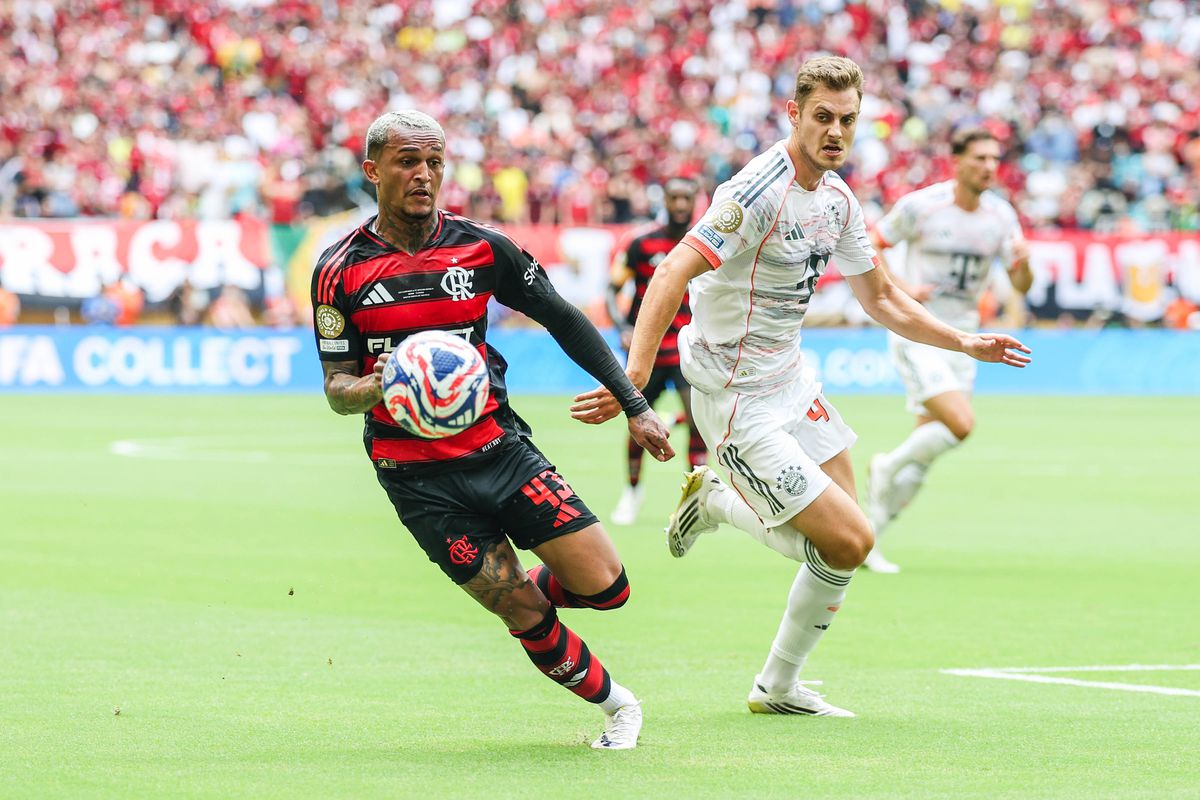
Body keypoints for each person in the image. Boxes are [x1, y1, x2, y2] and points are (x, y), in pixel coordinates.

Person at [570, 57, 1030, 716]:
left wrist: (963, 341)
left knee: (848, 537)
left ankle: (777, 687)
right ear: (794, 114)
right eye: (822, 117)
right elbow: (671, 270)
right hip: (734, 398)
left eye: (847, 119)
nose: (835, 131)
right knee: (847, 542)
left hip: (791, 377)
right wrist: (634, 377)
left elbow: (882, 298)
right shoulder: (756, 191)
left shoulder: (838, 200)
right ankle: (721, 503)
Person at [310, 111, 674, 750]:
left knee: (608, 588)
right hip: (417, 479)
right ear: (372, 171)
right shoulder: (338, 270)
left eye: (433, 163)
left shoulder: (483, 247)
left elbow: (563, 318)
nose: (423, 175)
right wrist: (380, 384)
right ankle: (621, 707)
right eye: (406, 162)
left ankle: (512, 585)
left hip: (499, 450)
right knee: (524, 613)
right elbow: (338, 388)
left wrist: (635, 402)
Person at [863, 127, 1033, 573]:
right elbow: (873, 245)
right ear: (956, 161)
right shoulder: (922, 205)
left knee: (926, 449)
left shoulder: (1001, 215)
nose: (988, 167)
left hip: (968, 340)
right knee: (960, 424)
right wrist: (902, 287)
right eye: (979, 158)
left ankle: (869, 539)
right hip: (919, 330)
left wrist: (1024, 261)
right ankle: (883, 465)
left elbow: (1021, 284)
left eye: (995, 159)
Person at [606, 177, 708, 525]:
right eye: (674, 197)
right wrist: (622, 327)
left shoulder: (707, 241)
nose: (680, 204)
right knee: (637, 423)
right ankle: (632, 493)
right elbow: (612, 288)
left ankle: (695, 502)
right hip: (645, 353)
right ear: (665, 199)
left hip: (686, 351)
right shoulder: (641, 242)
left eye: (686, 197)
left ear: (695, 199)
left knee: (699, 422)